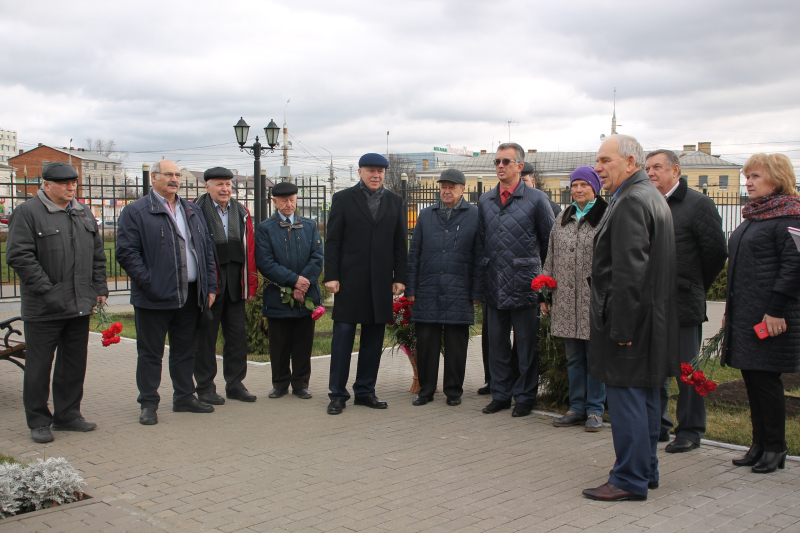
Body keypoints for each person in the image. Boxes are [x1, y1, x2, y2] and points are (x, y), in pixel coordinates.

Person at [582, 134, 679, 502]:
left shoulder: (630, 201)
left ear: (630, 163)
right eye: (598, 160)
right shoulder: (649, 197)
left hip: (631, 324)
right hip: (651, 322)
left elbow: (629, 272)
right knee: (647, 399)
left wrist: (620, 327)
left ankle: (628, 479)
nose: (598, 167)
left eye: (606, 160)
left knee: (627, 404)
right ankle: (645, 471)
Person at [6, 162, 108, 443]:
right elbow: (19, 256)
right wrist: (47, 290)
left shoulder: (83, 212)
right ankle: (38, 421)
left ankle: (68, 415)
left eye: (73, 183)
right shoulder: (28, 213)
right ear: (46, 185)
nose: (70, 188)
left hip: (79, 305)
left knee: (73, 364)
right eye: (64, 184)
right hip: (44, 307)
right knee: (39, 367)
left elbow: (98, 256)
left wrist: (99, 288)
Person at [116, 159, 217, 425]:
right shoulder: (136, 211)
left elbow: (206, 250)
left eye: (177, 175)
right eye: (168, 174)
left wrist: (209, 286)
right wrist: (150, 283)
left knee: (185, 350)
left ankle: (184, 396)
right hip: (153, 298)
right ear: (154, 178)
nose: (174, 179)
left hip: (190, 294)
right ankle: (148, 403)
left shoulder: (191, 210)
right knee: (151, 353)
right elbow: (127, 253)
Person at [721, 153, 800, 474]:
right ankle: (758, 444)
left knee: (767, 380)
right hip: (747, 311)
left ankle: (775, 447)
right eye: (747, 176)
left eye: (754, 176)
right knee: (752, 377)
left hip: (772, 315)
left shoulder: (790, 216)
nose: (748, 182)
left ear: (776, 178)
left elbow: (794, 267)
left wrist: (776, 310)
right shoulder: (755, 216)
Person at [646, 150, 727, 452]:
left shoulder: (697, 204)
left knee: (687, 370)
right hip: (651, 303)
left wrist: (694, 284)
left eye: (657, 167)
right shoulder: (649, 203)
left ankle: (690, 430)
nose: (651, 172)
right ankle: (659, 425)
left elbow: (716, 253)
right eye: (647, 168)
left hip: (683, 301)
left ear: (675, 170)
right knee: (655, 368)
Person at [323, 153, 407, 415]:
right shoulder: (343, 199)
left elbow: (399, 244)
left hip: (381, 283)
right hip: (349, 282)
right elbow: (333, 240)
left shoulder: (395, 202)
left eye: (381, 171)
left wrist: (400, 277)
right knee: (343, 339)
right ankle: (338, 394)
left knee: (373, 340)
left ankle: (365, 391)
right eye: (371, 170)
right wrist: (331, 275)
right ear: (360, 172)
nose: (376, 175)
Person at [478, 142, 554, 417]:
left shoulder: (536, 199)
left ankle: (524, 397)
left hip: (525, 286)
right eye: (497, 161)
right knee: (496, 346)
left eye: (506, 162)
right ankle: (500, 394)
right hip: (495, 285)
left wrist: (545, 288)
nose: (500, 166)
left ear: (520, 167)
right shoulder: (486, 200)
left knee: (526, 348)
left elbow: (548, 244)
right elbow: (482, 243)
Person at [406, 169, 484, 407]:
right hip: (428, 288)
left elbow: (480, 256)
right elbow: (414, 253)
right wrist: (411, 288)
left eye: (452, 186)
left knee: (455, 346)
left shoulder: (475, 215)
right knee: (427, 344)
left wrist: (477, 291)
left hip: (459, 289)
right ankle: (426, 390)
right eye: (443, 187)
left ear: (463, 189)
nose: (447, 191)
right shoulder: (426, 215)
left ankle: (453, 391)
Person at [540, 166, 608, 432]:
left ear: (595, 187)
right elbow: (550, 257)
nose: (578, 190)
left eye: (584, 185)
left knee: (595, 357)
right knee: (574, 357)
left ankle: (595, 410)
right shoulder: (562, 217)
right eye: (575, 185)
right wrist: (544, 293)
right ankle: (576, 407)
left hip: (594, 299)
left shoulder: (605, 216)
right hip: (566, 299)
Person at [193, 167, 259, 405]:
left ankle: (235, 384)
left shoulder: (241, 211)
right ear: (207, 186)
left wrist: (251, 285)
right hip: (210, 283)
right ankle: (205, 387)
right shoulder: (195, 210)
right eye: (219, 184)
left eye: (228, 184)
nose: (225, 189)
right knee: (206, 339)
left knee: (237, 338)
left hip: (235, 283)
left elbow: (249, 250)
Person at [255, 181, 323, 400]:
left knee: (303, 342)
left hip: (307, 295)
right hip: (278, 295)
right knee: (280, 342)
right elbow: (265, 263)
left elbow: (318, 257)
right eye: (283, 200)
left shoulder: (310, 226)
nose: (289, 204)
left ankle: (301, 384)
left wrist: (304, 283)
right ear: (274, 201)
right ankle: (280, 383)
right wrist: (294, 281)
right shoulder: (265, 228)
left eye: (292, 199)